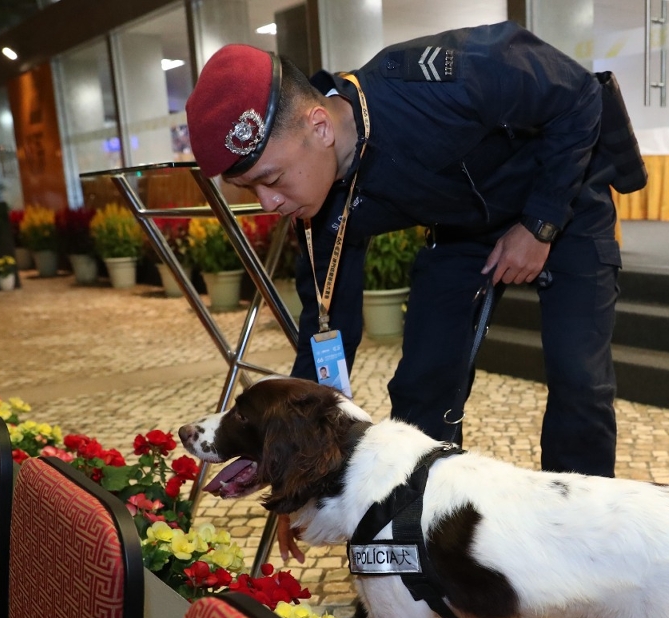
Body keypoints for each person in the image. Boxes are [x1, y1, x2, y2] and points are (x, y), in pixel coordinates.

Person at [186, 22, 640, 562]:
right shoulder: (319, 212)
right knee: (423, 383)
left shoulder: (439, 78)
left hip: (565, 201)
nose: (267, 204)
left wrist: (540, 224)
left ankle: (586, 556)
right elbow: (325, 343)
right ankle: (414, 555)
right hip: (463, 229)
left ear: (319, 127)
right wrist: (293, 476)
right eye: (251, 188)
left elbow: (579, 95)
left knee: (579, 381)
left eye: (273, 177)